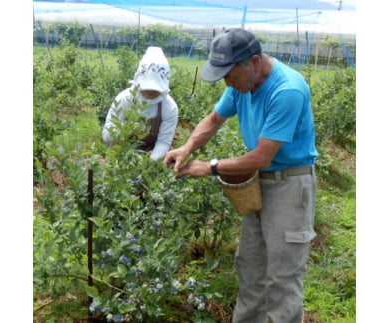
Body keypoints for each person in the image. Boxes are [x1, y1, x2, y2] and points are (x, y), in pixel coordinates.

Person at [162, 28, 318, 323]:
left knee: (283, 276)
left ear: (254, 62)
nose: (226, 82)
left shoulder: (287, 90)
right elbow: (215, 118)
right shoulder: (240, 84)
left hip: (289, 186)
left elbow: (261, 157)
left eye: (229, 75)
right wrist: (187, 147)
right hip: (257, 183)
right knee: (251, 266)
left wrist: (208, 166)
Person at [102, 46, 178, 161]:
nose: (150, 92)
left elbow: (163, 142)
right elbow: (107, 135)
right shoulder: (124, 99)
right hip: (121, 152)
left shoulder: (169, 107)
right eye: (147, 86)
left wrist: (148, 164)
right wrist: (129, 129)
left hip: (152, 154)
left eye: (155, 88)